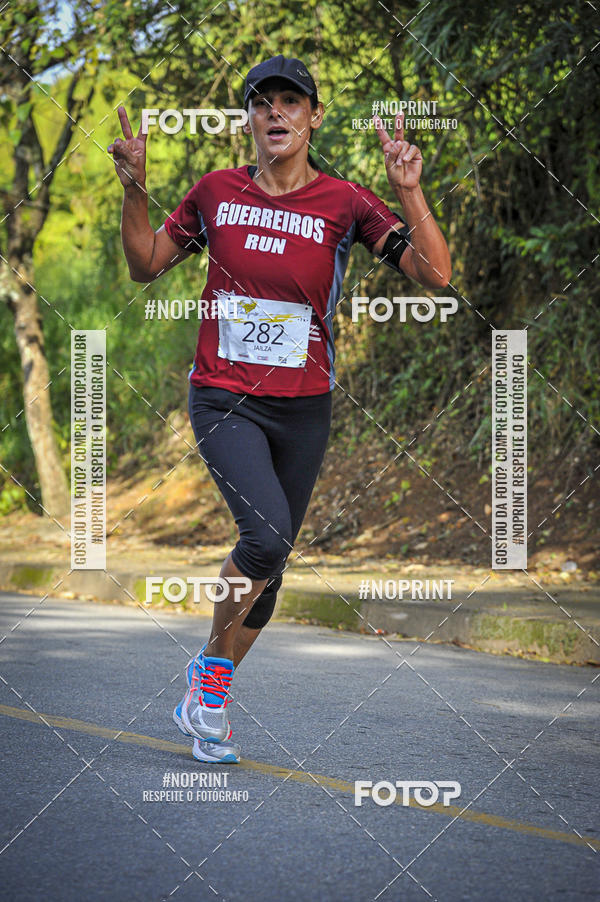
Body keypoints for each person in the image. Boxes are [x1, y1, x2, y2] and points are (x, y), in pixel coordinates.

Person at [108, 54, 451, 764]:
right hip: (224, 397)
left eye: (290, 102)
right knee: (263, 539)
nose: (275, 113)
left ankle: (210, 697)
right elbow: (145, 263)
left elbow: (436, 275)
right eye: (262, 103)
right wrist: (134, 188)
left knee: (276, 564)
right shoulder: (216, 194)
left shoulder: (347, 203)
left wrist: (410, 190)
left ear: (312, 117)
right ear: (248, 120)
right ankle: (207, 682)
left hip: (305, 406)